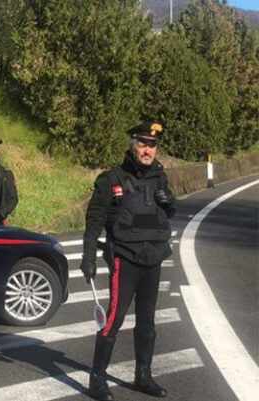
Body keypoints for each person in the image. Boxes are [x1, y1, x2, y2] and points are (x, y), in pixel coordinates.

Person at [80, 122, 175, 400]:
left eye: (153, 145)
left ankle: (143, 376)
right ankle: (96, 380)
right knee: (114, 319)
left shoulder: (159, 176)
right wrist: (88, 257)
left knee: (147, 321)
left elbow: (168, 211)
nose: (148, 150)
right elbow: (94, 219)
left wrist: (169, 201)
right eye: (143, 143)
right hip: (125, 257)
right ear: (133, 144)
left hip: (154, 257)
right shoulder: (111, 178)